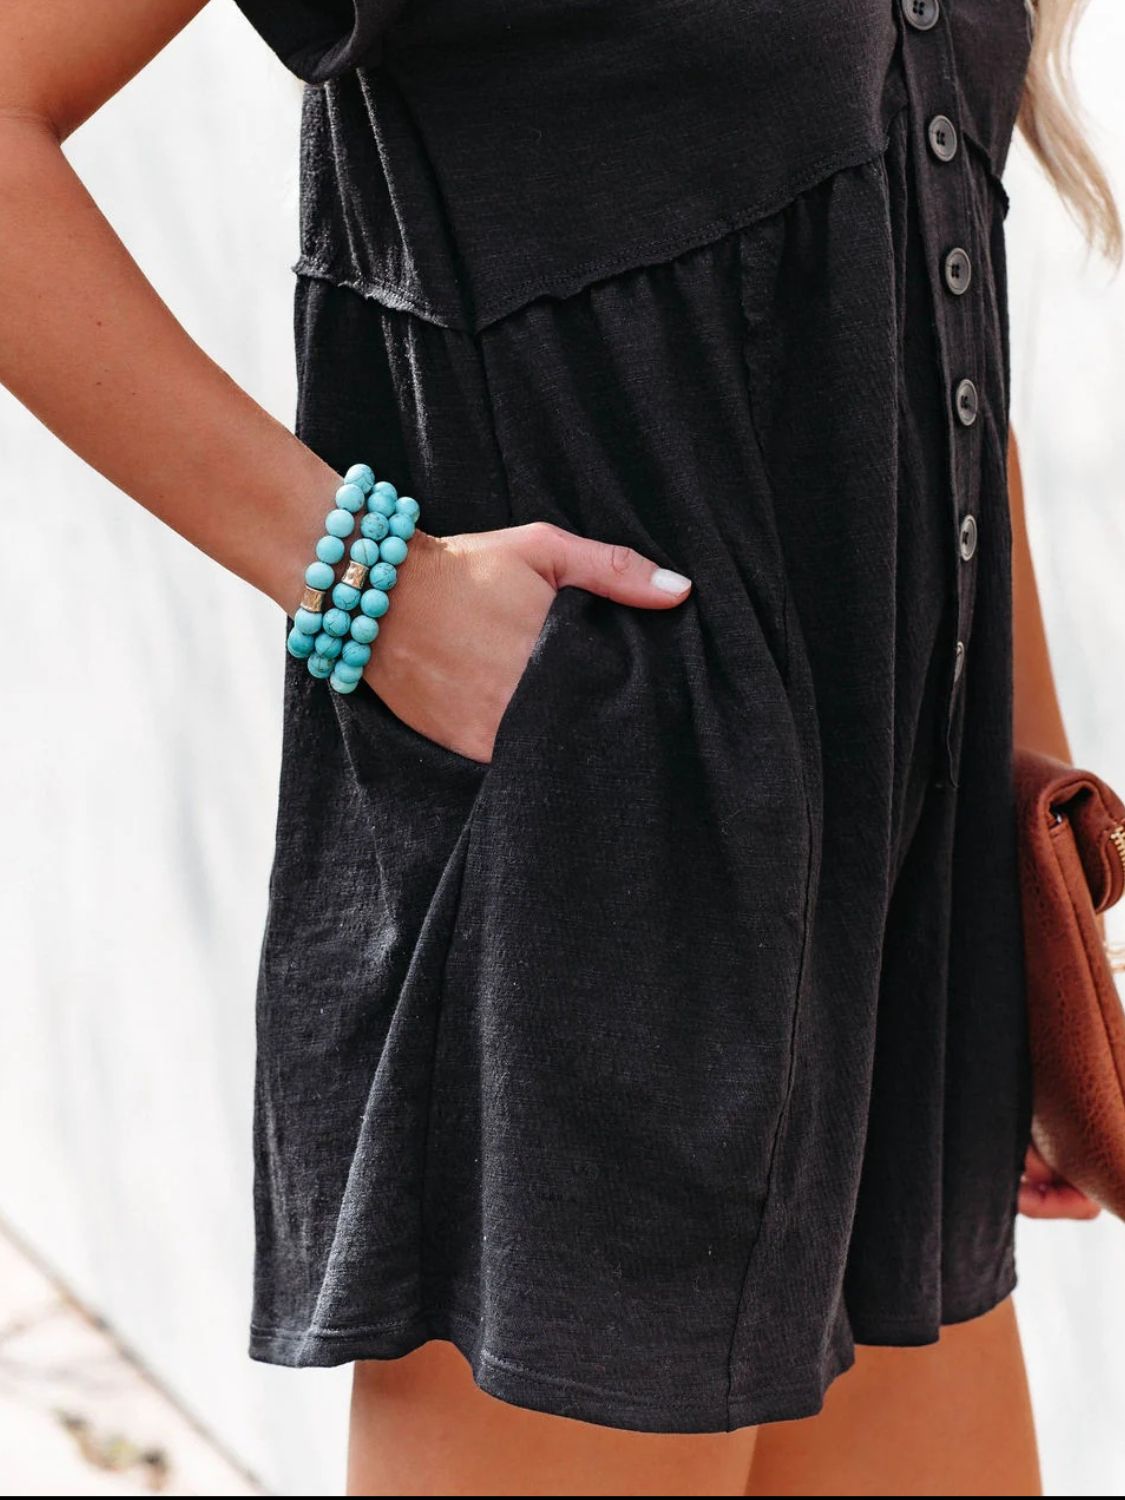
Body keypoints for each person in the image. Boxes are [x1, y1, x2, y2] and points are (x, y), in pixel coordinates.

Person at [0, 2, 1118, 1494]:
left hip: (885, 956)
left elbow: (927, 327)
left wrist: (1023, 904)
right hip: (597, 905)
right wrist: (364, 585)